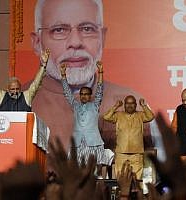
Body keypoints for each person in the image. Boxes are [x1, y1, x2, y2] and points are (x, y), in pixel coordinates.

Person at [29, 0, 164, 162]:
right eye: (59, 30)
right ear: (37, 42)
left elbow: (160, 164)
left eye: (87, 29)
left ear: (103, 37)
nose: (75, 42)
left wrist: (100, 72)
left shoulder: (128, 99)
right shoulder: (22, 102)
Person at [60, 61, 106, 166]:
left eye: (86, 94)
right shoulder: (76, 106)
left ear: (90, 96)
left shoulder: (95, 105)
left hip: (93, 142)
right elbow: (67, 93)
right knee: (75, 171)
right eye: (82, 94)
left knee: (94, 172)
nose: (84, 96)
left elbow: (100, 90)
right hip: (77, 143)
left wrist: (101, 72)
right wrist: (63, 75)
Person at [103, 96, 154, 182]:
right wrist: (116, 106)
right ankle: (121, 195)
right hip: (121, 153)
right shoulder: (119, 115)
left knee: (136, 181)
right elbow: (106, 117)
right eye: (127, 103)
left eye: (132, 103)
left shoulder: (140, 115)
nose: (129, 105)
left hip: (136, 154)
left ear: (135, 105)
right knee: (120, 180)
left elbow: (150, 117)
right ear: (124, 105)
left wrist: (143, 106)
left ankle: (135, 195)